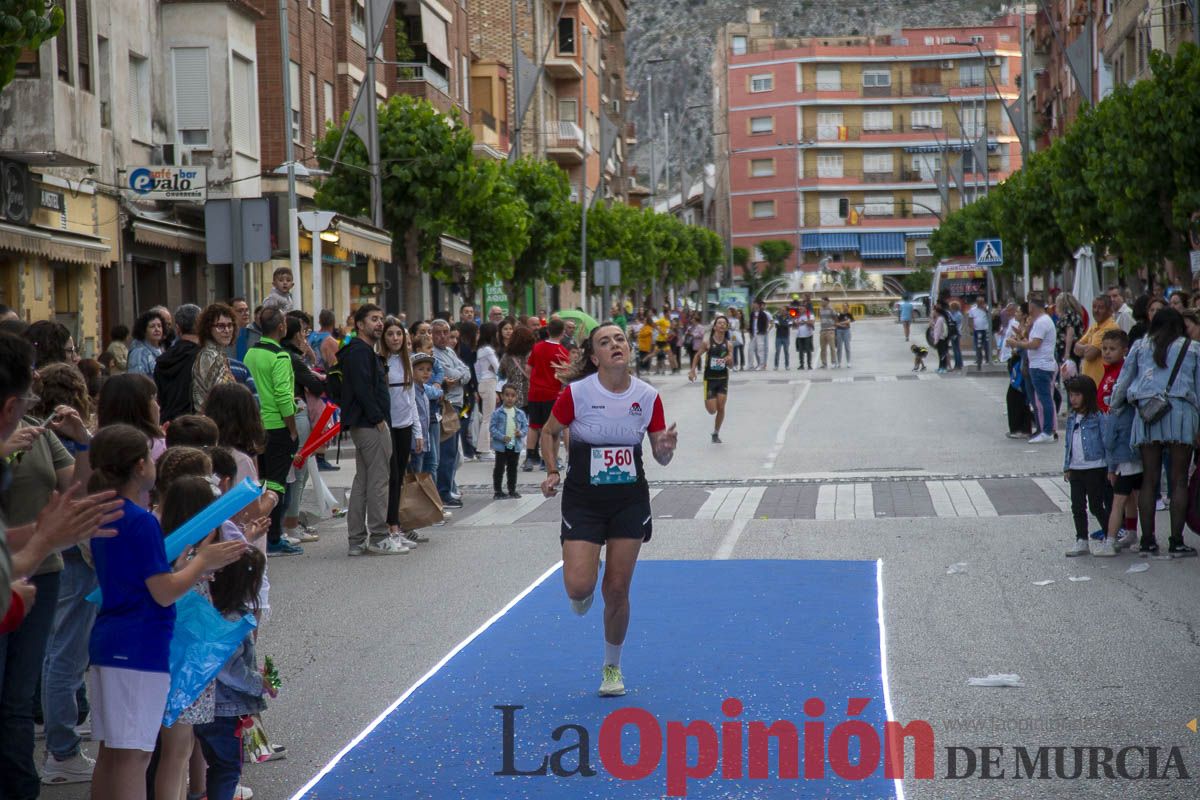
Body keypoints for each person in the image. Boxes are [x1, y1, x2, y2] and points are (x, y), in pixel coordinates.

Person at [86, 424, 244, 800]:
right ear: (140, 466)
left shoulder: (105, 511)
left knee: (112, 753)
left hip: (111, 640)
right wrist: (202, 560)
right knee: (134, 758)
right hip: (140, 645)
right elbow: (163, 591)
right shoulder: (139, 521)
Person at [538, 324, 677, 697]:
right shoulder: (577, 393)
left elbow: (661, 458)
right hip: (583, 498)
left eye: (619, 339)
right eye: (605, 342)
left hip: (629, 500)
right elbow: (548, 433)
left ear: (628, 348)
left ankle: (612, 668)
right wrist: (552, 471)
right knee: (580, 586)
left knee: (616, 588)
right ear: (594, 356)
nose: (615, 345)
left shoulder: (648, 396)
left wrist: (665, 446)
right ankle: (581, 583)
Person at [1109, 307, 1200, 557]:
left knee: (1149, 478)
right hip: (1181, 415)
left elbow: (1124, 381)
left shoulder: (1140, 346)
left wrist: (1113, 407)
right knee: (1179, 478)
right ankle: (1176, 541)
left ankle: (1148, 540)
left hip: (1147, 413)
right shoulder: (1191, 348)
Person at [192, 548, 270, 800]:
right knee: (226, 767)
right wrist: (259, 682)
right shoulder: (232, 621)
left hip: (207, 705)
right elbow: (230, 670)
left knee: (218, 764)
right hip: (223, 708)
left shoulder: (210, 613)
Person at [341, 305, 399, 555]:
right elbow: (363, 389)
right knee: (377, 482)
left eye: (380, 319)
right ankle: (378, 536)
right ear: (360, 324)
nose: (379, 324)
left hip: (365, 424)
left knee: (363, 482)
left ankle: (357, 540)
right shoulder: (359, 352)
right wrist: (378, 419)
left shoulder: (362, 351)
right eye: (373, 319)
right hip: (369, 426)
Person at [242, 307, 301, 557]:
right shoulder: (280, 356)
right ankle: (273, 537)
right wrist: (293, 428)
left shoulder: (250, 353)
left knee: (260, 482)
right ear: (281, 328)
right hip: (277, 427)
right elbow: (283, 395)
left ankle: (257, 532)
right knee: (276, 486)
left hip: (254, 425)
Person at [1100, 330, 1140, 555]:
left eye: (1112, 349)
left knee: (1119, 498)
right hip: (1126, 444)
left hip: (1122, 447)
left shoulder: (1122, 377)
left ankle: (1110, 539)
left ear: (1125, 351)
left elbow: (1115, 418)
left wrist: (1111, 461)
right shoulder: (1111, 373)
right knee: (1130, 496)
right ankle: (1132, 532)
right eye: (1104, 348)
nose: (1106, 353)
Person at [1061, 376, 1111, 557]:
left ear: (1087, 395)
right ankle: (1081, 540)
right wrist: (1067, 466)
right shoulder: (1072, 417)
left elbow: (1106, 441)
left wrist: (1110, 468)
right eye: (1071, 395)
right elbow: (1068, 443)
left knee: (1096, 505)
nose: (1073, 399)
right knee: (1077, 506)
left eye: (1077, 395)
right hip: (1076, 469)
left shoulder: (1097, 417)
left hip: (1095, 467)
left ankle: (1110, 535)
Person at [381, 318, 417, 550]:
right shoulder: (381, 361)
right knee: (391, 475)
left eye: (398, 334)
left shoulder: (407, 362)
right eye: (390, 334)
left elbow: (411, 398)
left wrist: (418, 430)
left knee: (400, 474)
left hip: (405, 424)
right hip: (387, 424)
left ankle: (396, 523)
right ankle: (390, 525)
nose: (395, 338)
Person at [432, 319, 471, 506]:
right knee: (447, 451)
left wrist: (459, 376)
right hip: (446, 404)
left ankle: (448, 487)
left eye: (445, 332)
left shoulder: (449, 351)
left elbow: (465, 372)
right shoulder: (433, 353)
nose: (442, 336)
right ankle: (443, 492)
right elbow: (452, 375)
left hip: (456, 403)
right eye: (437, 332)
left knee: (453, 451)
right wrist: (459, 376)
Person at [1007, 297, 1057, 443]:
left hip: (1041, 365)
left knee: (1044, 399)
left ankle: (1047, 431)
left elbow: (1035, 344)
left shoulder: (1042, 322)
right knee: (1038, 400)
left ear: (1033, 307)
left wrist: (1016, 343)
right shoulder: (1040, 322)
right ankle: (1042, 429)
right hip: (1036, 365)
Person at [523, 318, 569, 473]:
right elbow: (564, 376)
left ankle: (529, 458)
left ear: (548, 331)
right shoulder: (563, 352)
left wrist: (536, 382)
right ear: (563, 333)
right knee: (552, 430)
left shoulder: (537, 347)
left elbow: (528, 369)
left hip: (535, 392)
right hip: (552, 394)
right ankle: (550, 460)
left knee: (534, 426)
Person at [689, 315, 732, 444]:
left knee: (721, 406)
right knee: (712, 410)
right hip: (710, 379)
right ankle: (709, 403)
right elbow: (697, 356)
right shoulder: (707, 343)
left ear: (727, 327)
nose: (722, 325)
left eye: (724, 323)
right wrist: (692, 370)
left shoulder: (728, 345)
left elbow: (731, 365)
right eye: (719, 323)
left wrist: (729, 360)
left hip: (723, 379)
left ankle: (716, 432)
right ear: (715, 327)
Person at [191, 303, 237, 415]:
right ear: (208, 329)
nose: (227, 330)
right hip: (213, 422)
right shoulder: (209, 355)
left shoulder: (218, 353)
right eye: (220, 326)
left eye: (230, 325)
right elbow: (222, 396)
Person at [490, 385, 528, 499]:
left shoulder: (520, 413)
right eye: (507, 395)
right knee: (499, 468)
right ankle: (498, 491)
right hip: (501, 445)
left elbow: (526, 427)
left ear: (516, 398)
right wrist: (501, 437)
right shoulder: (497, 413)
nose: (510, 398)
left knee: (512, 467)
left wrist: (520, 433)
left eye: (513, 396)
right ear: (502, 396)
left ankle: (512, 489)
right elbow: (492, 428)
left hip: (514, 445)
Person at [1073, 295, 1119, 386]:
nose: (1096, 310)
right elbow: (1075, 349)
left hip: (1101, 383)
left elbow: (1090, 355)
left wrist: (1085, 348)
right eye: (1094, 307)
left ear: (1109, 310)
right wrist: (1088, 347)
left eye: (1101, 308)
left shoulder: (1109, 327)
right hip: (1089, 384)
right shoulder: (1094, 326)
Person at [474, 322, 501, 464]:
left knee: (487, 416)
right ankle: (484, 450)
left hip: (482, 383)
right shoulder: (489, 350)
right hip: (490, 382)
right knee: (488, 418)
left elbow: (477, 370)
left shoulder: (479, 349)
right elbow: (498, 368)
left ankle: (484, 448)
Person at [127, 310, 166, 376]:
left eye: (159, 326)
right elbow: (137, 380)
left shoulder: (162, 350)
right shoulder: (138, 353)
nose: (157, 329)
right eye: (152, 326)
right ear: (143, 330)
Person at [968, 296, 991, 371]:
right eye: (980, 302)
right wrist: (971, 328)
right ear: (977, 302)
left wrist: (985, 310)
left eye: (982, 302)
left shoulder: (986, 308)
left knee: (987, 345)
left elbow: (991, 316)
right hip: (977, 330)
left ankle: (988, 359)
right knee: (978, 346)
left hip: (986, 329)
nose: (981, 303)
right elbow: (970, 319)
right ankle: (979, 360)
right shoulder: (973, 309)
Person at [747, 300, 770, 370]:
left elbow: (765, 324)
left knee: (760, 350)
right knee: (750, 349)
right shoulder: (752, 314)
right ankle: (750, 365)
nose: (753, 305)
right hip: (753, 334)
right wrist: (750, 333)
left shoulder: (763, 314)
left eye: (755, 304)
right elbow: (751, 324)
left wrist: (762, 331)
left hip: (760, 334)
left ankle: (761, 365)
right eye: (753, 304)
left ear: (758, 305)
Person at [794, 301, 815, 370]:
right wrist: (796, 323)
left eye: (801, 309)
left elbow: (811, 322)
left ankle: (809, 364)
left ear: (805, 309)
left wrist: (804, 322)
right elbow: (794, 326)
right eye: (799, 309)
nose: (800, 310)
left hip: (808, 335)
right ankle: (801, 364)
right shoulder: (797, 316)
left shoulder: (810, 315)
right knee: (800, 351)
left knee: (808, 350)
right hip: (799, 336)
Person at [929, 304, 949, 373]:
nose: (933, 313)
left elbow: (938, 331)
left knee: (942, 354)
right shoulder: (940, 319)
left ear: (937, 312)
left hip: (941, 339)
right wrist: (933, 319)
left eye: (934, 311)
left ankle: (943, 368)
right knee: (940, 354)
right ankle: (941, 367)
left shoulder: (940, 319)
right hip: (942, 338)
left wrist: (935, 341)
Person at [818, 298, 837, 368]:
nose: (821, 303)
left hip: (830, 330)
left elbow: (836, 317)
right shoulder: (821, 309)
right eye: (821, 301)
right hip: (823, 330)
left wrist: (833, 326)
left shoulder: (831, 309)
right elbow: (821, 318)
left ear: (827, 302)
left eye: (822, 301)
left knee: (832, 347)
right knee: (822, 348)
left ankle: (834, 362)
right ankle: (824, 363)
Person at [946, 301, 963, 371]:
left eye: (951, 307)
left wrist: (949, 314)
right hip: (955, 332)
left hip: (956, 333)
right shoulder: (956, 314)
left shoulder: (958, 314)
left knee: (956, 350)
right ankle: (959, 364)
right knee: (956, 349)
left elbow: (954, 321)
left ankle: (958, 365)